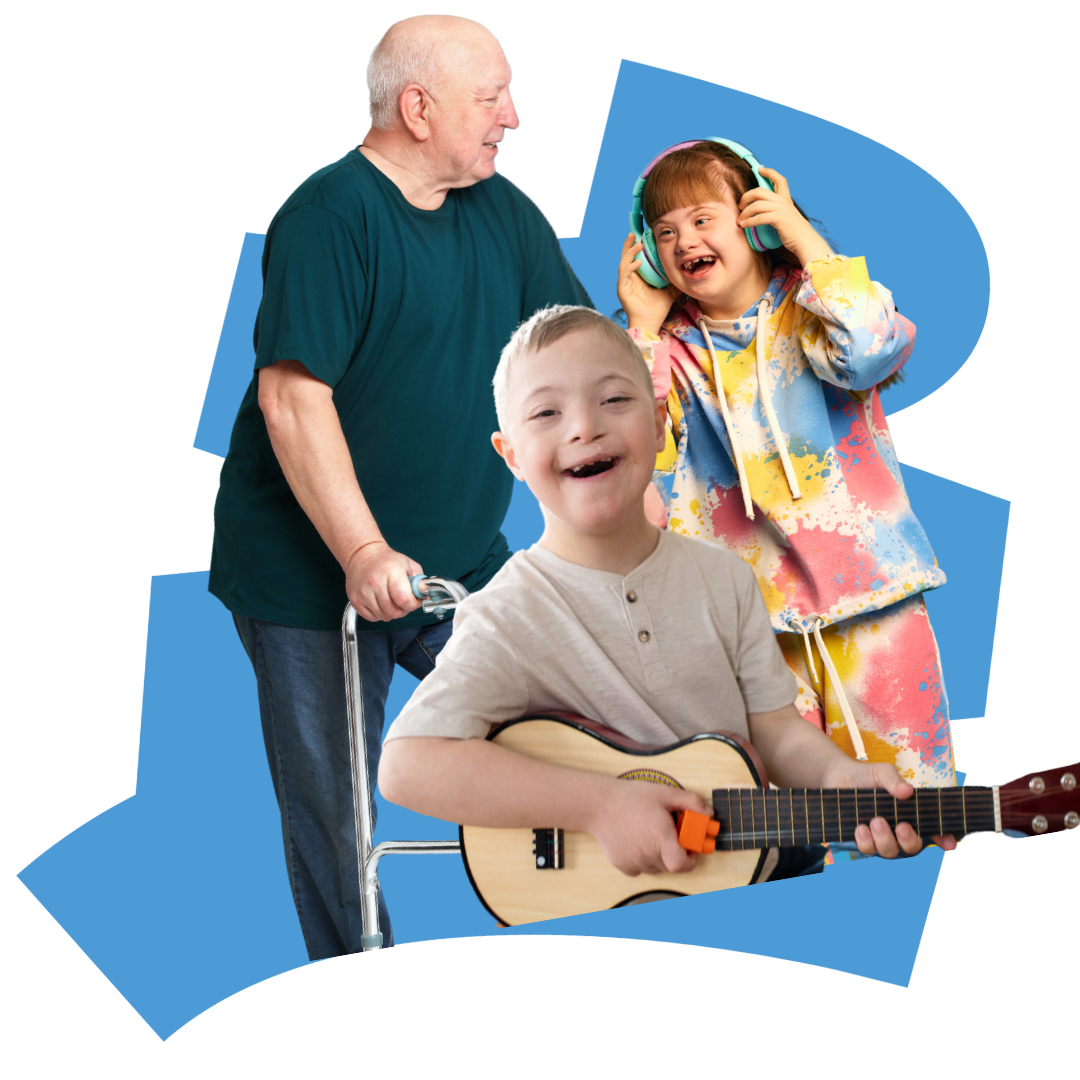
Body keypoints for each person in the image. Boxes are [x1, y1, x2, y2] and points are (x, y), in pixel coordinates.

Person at [207, 15, 591, 961]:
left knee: (575, 726)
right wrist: (362, 551)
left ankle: (577, 915)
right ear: (419, 109)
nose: (513, 115)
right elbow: (293, 398)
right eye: (490, 97)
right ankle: (362, 989)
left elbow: (573, 346)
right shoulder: (330, 216)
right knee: (338, 815)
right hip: (311, 577)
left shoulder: (500, 211)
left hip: (458, 557)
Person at [378, 305, 957, 887]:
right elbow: (406, 764)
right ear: (511, 457)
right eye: (547, 412)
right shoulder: (504, 615)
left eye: (613, 399)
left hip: (748, 884)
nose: (584, 427)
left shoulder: (728, 580)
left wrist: (838, 777)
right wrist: (599, 807)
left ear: (659, 426)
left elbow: (776, 731)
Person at [615, 138, 953, 801]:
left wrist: (804, 240)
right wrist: (642, 332)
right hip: (748, 631)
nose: (684, 241)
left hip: (873, 599)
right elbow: (635, 460)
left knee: (911, 811)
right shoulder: (667, 352)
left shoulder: (814, 310)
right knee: (783, 828)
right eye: (665, 232)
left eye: (702, 218)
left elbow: (870, 350)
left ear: (756, 223)